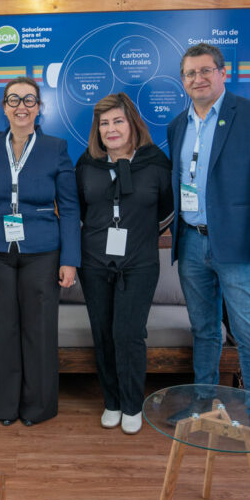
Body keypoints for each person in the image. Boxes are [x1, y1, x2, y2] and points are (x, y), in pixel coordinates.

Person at [168, 43, 250, 403]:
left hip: (240, 247)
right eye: (189, 73)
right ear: (182, 80)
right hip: (191, 243)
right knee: (204, 331)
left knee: (249, 335)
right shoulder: (177, 126)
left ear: (222, 73)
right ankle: (203, 405)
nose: (197, 78)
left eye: (205, 71)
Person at [0, 76, 80, 426]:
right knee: (1, 330)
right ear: (3, 106)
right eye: (14, 99)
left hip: (43, 251)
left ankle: (38, 408)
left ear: (39, 107)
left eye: (29, 100)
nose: (22, 106)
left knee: (40, 330)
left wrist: (70, 260)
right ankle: (2, 407)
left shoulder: (56, 147)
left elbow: (70, 207)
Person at [75, 93, 173, 435]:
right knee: (103, 334)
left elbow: (165, 212)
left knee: (129, 335)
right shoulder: (87, 163)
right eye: (104, 123)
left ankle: (132, 404)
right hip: (95, 264)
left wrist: (137, 235)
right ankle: (112, 402)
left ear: (133, 124)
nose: (111, 129)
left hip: (139, 264)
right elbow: (82, 212)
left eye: (118, 121)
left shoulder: (156, 163)